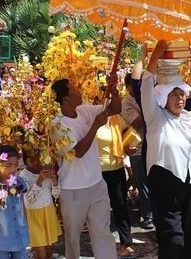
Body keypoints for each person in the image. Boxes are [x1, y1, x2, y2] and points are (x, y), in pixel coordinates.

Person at [141, 40, 191, 259]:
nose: (180, 99)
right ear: (164, 98)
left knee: (185, 241)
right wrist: (155, 56)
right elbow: (146, 86)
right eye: (174, 95)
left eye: (182, 94)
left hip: (190, 184)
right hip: (164, 183)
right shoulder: (156, 117)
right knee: (172, 241)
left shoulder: (189, 120)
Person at [50, 73, 121, 259]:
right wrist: (95, 127)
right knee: (73, 240)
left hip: (97, 184)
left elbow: (115, 108)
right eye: (74, 88)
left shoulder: (84, 110)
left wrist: (112, 89)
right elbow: (77, 152)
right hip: (73, 191)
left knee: (103, 233)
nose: (79, 89)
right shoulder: (57, 125)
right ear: (65, 98)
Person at [97, 114, 136, 257]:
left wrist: (127, 148)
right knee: (100, 210)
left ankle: (126, 243)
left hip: (116, 169)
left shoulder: (117, 118)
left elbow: (126, 136)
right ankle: (102, 244)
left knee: (120, 205)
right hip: (97, 171)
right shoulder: (91, 118)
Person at [121, 72, 153, 230]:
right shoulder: (126, 103)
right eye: (134, 85)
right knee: (142, 182)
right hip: (138, 148)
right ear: (127, 87)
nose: (138, 88)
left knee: (153, 181)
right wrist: (150, 108)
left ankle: (154, 212)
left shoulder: (147, 95)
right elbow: (136, 121)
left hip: (153, 146)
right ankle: (147, 215)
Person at [0, 145, 30, 259]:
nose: (13, 169)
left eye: (16, 165)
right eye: (8, 165)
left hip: (19, 233)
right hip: (1, 235)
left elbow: (23, 205)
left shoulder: (20, 182)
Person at [19, 150, 62, 259]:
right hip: (34, 216)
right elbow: (29, 199)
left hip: (48, 212)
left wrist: (55, 183)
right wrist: (39, 181)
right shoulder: (23, 175)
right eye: (31, 158)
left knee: (48, 251)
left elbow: (56, 195)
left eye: (37, 157)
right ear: (25, 159)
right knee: (40, 253)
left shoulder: (47, 169)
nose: (35, 161)